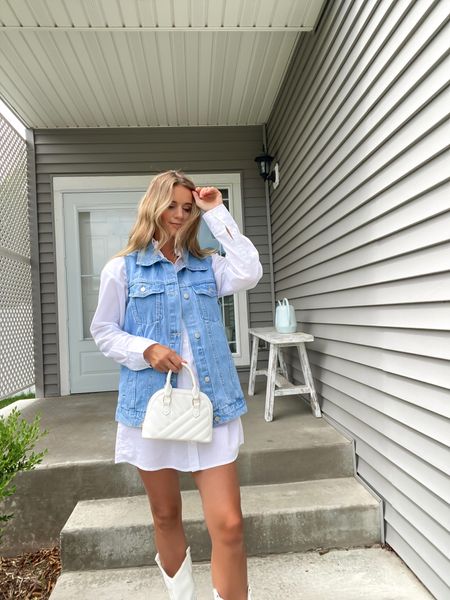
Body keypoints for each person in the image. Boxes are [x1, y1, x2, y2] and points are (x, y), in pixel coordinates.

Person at [90, 170, 263, 600]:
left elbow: (250, 270)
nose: (180, 215)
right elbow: (104, 331)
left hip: (212, 407)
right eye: (173, 205)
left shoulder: (210, 267)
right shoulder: (122, 269)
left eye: (188, 208)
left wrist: (217, 210)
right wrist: (146, 348)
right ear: (153, 205)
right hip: (152, 406)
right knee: (166, 515)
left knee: (230, 523)